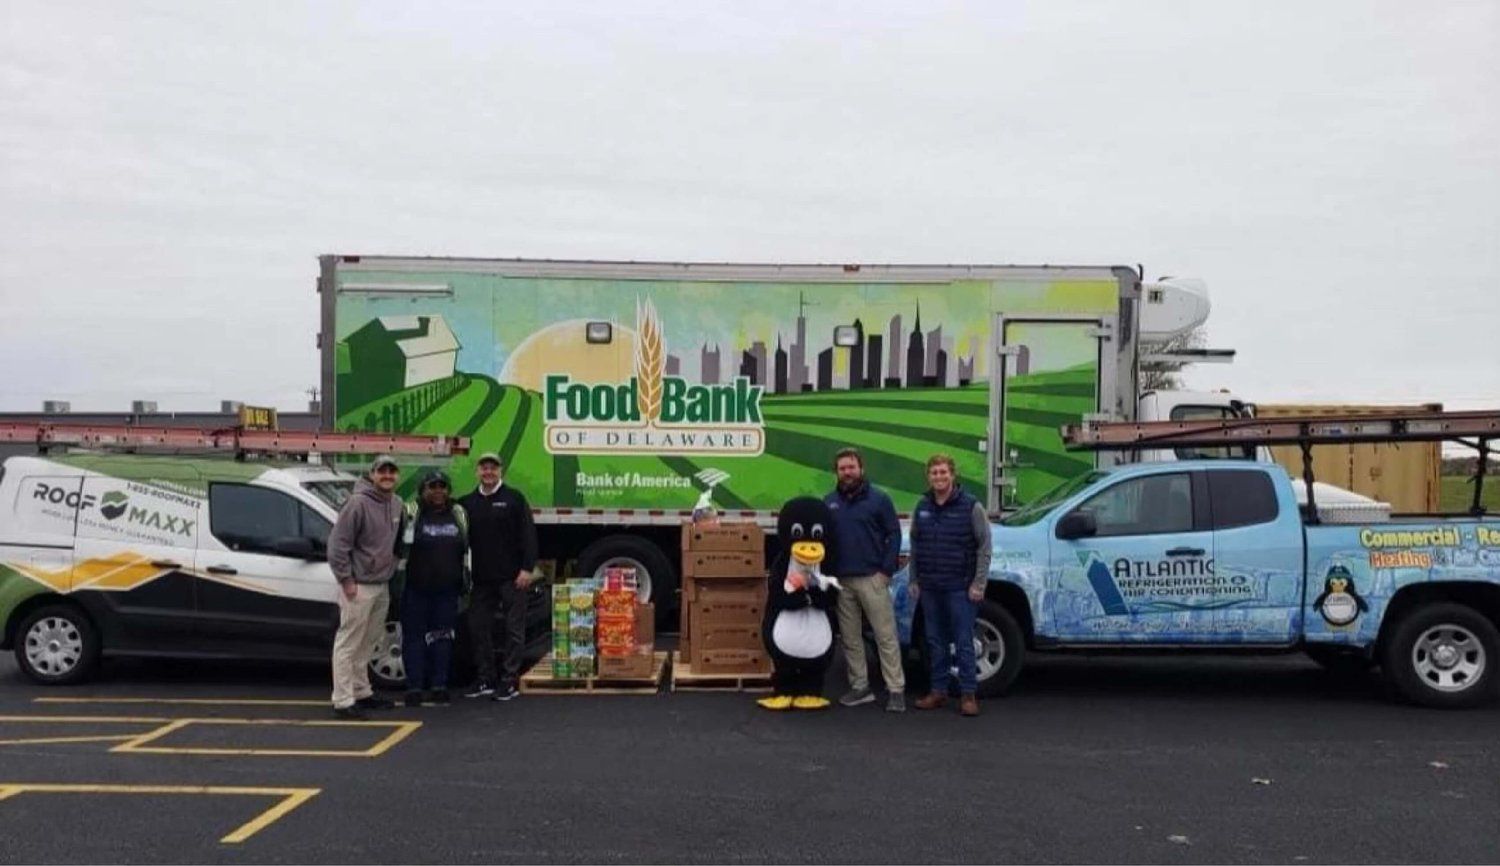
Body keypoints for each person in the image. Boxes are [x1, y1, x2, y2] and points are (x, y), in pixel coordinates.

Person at [823, 448, 906, 712]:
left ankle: (896, 690)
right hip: (842, 581)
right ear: (836, 472)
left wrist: (885, 571)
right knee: (850, 638)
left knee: (885, 636)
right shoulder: (829, 502)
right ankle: (860, 687)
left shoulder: (879, 500)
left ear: (861, 469)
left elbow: (894, 534)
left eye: (851, 467)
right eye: (842, 469)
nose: (847, 473)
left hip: (872, 578)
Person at [909, 453, 991, 717]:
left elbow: (984, 548)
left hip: (960, 587)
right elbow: (916, 546)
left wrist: (978, 584)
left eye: (943, 472)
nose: (939, 477)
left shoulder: (971, 507)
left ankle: (968, 695)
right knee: (935, 642)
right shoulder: (922, 506)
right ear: (928, 477)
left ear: (953, 475)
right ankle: (938, 691)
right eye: (934, 473)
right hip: (930, 587)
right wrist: (914, 579)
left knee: (964, 641)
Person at [327, 454, 405, 719]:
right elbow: (338, 546)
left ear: (398, 476)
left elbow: (396, 544)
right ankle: (343, 700)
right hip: (358, 586)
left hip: (381, 585)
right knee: (348, 643)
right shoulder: (357, 504)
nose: (387, 476)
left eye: (391, 471)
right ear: (372, 475)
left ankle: (362, 692)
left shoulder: (397, 504)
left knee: (369, 642)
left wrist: (390, 567)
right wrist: (347, 581)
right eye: (382, 471)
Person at [458, 452, 538, 701]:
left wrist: (527, 569)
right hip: (481, 579)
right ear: (477, 472)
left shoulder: (514, 499)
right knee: (478, 628)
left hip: (513, 578)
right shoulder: (466, 503)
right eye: (484, 468)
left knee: (514, 630)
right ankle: (485, 679)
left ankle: (509, 680)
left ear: (500, 471)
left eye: (493, 468)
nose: (489, 472)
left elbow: (528, 536)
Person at [398, 470, 469, 707]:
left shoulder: (457, 514)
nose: (438, 491)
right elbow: (397, 546)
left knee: (443, 637)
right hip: (416, 588)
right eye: (432, 487)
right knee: (414, 638)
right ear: (422, 490)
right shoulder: (411, 513)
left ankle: (439, 685)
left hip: (447, 591)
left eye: (442, 486)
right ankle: (415, 686)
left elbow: (468, 548)